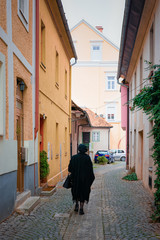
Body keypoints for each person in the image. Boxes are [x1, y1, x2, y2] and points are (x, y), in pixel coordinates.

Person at [68, 144, 95, 215]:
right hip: (84, 180)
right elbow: (90, 171)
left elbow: (69, 169)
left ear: (78, 149)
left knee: (76, 192)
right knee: (83, 193)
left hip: (75, 180)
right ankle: (81, 208)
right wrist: (90, 180)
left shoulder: (74, 158)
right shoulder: (87, 158)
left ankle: (76, 205)